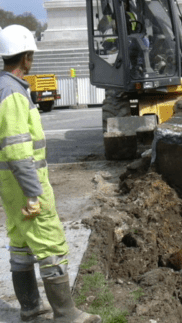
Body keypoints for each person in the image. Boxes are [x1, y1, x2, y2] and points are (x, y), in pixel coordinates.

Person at [0, 25, 102, 323]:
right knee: (50, 241)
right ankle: (66, 314)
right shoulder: (14, 94)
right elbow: (18, 150)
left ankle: (31, 308)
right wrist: (33, 193)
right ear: (27, 58)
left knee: (20, 241)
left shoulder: (3, 88)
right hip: (25, 182)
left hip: (9, 183)